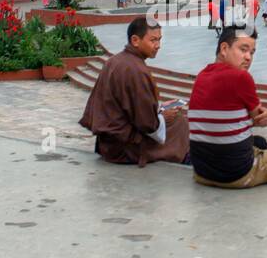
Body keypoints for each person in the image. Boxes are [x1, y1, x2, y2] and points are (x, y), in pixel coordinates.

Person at [188, 26, 267, 189]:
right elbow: (260, 119)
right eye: (243, 49)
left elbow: (223, 120)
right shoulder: (241, 77)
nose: (248, 57)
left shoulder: (201, 76)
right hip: (235, 174)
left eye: (252, 53)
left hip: (201, 172)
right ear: (224, 48)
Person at [79, 17, 189, 166]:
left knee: (176, 120)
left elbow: (131, 108)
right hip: (124, 147)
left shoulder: (115, 60)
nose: (158, 45)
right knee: (180, 123)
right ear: (135, 40)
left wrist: (159, 107)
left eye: (159, 40)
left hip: (107, 144)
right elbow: (148, 124)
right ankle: (185, 160)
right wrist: (163, 116)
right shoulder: (135, 70)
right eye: (153, 40)